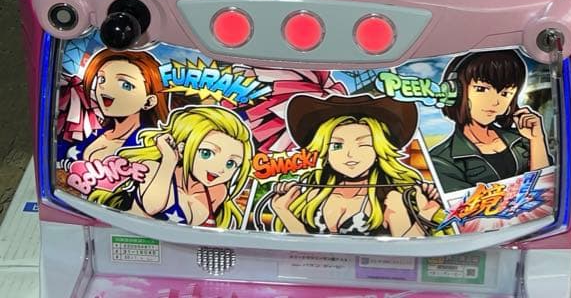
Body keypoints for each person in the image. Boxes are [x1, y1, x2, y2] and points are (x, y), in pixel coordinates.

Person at [269, 94, 443, 236]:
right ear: (324, 151)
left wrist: (426, 213)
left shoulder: (389, 198)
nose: (350, 154)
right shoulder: (315, 193)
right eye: (337, 145)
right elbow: (305, 245)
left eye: (364, 144)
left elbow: (403, 249)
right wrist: (281, 209)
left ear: (379, 150)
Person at [92, 105, 253, 228]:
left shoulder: (217, 190)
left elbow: (195, 226)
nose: (220, 169)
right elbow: (152, 207)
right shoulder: (152, 167)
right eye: (207, 153)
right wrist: (168, 160)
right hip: (133, 242)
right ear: (182, 148)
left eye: (231, 163)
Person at [430, 50, 551, 193]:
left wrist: (537, 139)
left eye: (505, 93)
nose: (495, 102)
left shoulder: (523, 139)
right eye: (482, 89)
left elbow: (546, 188)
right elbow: (465, 205)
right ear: (456, 92)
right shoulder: (441, 159)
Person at [58, 49, 169, 164]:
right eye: (102, 79)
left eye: (125, 85)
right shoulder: (90, 130)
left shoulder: (151, 145)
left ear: (149, 102)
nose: (106, 88)